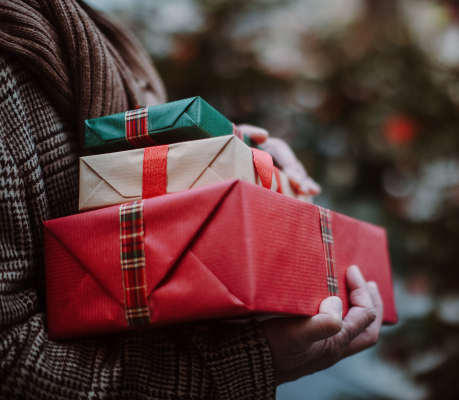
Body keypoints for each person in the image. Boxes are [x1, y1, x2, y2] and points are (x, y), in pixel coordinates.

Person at [0, 0, 384, 398]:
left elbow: (135, 151)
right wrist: (247, 364)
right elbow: (9, 365)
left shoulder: (86, 25)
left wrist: (236, 150)